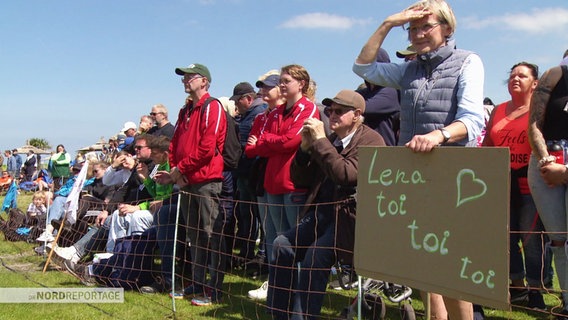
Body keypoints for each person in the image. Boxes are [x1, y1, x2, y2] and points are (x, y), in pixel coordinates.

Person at [352, 0, 485, 319]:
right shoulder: (408, 69)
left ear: (448, 29)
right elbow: (363, 67)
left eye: (427, 26)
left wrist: (438, 135)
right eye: (412, 28)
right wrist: (388, 23)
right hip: (413, 177)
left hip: (451, 179)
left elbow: (472, 121)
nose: (418, 33)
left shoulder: (468, 61)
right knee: (426, 267)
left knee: (451, 272)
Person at [268, 90, 385, 318]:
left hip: (349, 219)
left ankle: (301, 317)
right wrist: (304, 150)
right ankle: (277, 312)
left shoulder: (371, 140)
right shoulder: (332, 140)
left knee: (314, 258)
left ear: (357, 114)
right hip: (322, 213)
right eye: (330, 110)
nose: (332, 115)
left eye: (339, 111)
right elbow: (300, 179)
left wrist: (321, 141)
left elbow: (346, 175)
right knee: (282, 244)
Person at [246, 64, 320, 303]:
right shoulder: (275, 113)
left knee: (294, 241)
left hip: (293, 183)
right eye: (282, 81)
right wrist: (270, 142)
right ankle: (280, 292)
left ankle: (297, 294)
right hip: (272, 182)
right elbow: (254, 149)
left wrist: (267, 140)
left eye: (287, 80)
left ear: (302, 84)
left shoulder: (308, 109)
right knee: (275, 239)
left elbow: (291, 142)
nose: (282, 85)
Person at [155, 63, 227, 306]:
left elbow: (208, 148)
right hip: (187, 181)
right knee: (194, 236)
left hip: (207, 180)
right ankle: (197, 282)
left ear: (204, 81)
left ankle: (214, 288)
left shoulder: (212, 106)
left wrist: (179, 171)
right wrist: (177, 173)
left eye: (190, 76)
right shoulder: (185, 110)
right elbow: (174, 145)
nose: (185, 80)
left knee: (211, 234)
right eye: (183, 77)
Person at [483, 62, 546, 310]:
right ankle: (516, 286)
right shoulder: (497, 110)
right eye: (512, 76)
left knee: (531, 240)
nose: (515, 79)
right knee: (505, 238)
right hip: (502, 183)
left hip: (530, 183)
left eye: (522, 75)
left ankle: (536, 290)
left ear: (535, 83)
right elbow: (488, 144)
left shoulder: (539, 110)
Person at [527, 63, 568, 320]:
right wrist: (545, 160)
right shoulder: (556, 74)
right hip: (547, 160)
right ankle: (566, 304)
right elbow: (534, 123)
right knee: (559, 241)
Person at [229, 82, 267, 263]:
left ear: (248, 99)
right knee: (246, 214)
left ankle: (261, 255)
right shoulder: (247, 116)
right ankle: (247, 252)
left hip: (254, 172)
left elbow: (256, 144)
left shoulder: (260, 114)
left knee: (257, 215)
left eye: (238, 100)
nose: (236, 105)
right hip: (244, 172)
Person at [355, 48, 401, 146]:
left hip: (384, 154)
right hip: (365, 151)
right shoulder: (364, 92)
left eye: (372, 66)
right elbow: (342, 103)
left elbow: (362, 108)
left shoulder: (391, 92)